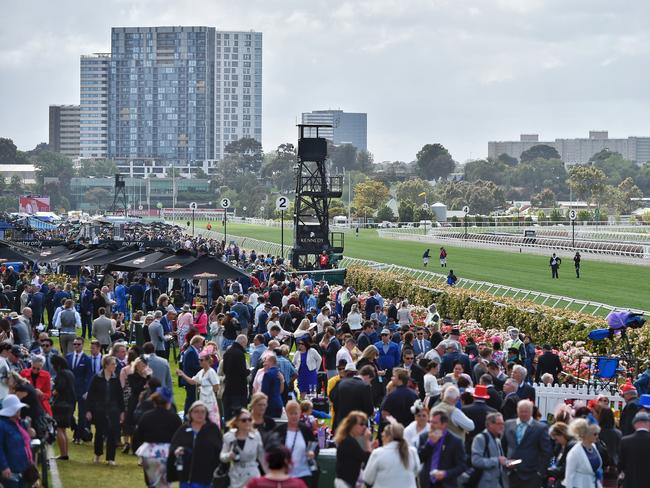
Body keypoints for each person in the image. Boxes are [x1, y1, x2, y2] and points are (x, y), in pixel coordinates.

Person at [133, 387, 182, 488]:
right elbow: (179, 438)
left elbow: (138, 435)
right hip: (167, 453)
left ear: (154, 401)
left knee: (152, 484)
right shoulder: (175, 418)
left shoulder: (146, 416)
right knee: (165, 484)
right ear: (168, 402)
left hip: (149, 452)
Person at [167, 401, 223, 488]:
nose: (199, 414)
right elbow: (174, 446)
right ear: (190, 413)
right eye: (196, 411)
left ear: (206, 413)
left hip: (207, 474)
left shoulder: (212, 429)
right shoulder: (184, 429)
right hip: (187, 474)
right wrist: (177, 450)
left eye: (202, 412)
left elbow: (220, 449)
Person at [502, 399, 552, 488]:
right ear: (517, 410)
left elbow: (546, 452)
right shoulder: (508, 424)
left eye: (526, 412)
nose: (524, 414)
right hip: (510, 473)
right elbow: (502, 447)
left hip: (531, 475)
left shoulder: (540, 428)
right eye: (521, 411)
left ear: (531, 411)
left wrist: (540, 473)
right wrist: (505, 462)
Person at [86, 355, 125, 465]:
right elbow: (91, 395)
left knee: (112, 434)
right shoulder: (96, 378)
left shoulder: (115, 379)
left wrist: (122, 412)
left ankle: (111, 458)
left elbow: (120, 397)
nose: (115, 366)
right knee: (99, 433)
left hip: (113, 410)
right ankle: (97, 455)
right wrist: (88, 410)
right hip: (99, 409)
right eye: (113, 364)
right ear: (106, 365)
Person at [272, 400, 318, 488]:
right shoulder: (279, 431)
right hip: (284, 474)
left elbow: (315, 444)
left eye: (296, 413)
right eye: (291, 413)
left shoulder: (305, 430)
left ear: (300, 413)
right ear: (287, 414)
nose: (293, 416)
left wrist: (312, 452)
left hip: (304, 473)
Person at [220, 408, 267, 488]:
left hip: (252, 474)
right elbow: (222, 456)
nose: (247, 422)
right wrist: (229, 456)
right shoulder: (229, 437)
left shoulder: (256, 436)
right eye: (244, 420)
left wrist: (269, 475)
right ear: (237, 422)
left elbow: (262, 457)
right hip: (235, 475)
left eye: (249, 419)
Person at [363, 422, 420, 488]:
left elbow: (368, 479)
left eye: (383, 435)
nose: (382, 437)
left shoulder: (378, 453)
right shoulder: (412, 451)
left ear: (389, 437)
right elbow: (416, 472)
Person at [177, 348, 220, 426]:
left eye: (201, 360)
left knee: (210, 421)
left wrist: (207, 389)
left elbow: (216, 387)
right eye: (199, 360)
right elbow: (192, 381)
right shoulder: (201, 372)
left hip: (210, 401)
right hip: (202, 399)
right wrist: (182, 374)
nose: (199, 361)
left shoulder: (211, 372)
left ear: (207, 361)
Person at [0, 394, 33, 488]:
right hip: (11, 470)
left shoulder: (19, 422)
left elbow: (26, 442)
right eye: (18, 409)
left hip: (24, 468)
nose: (20, 410)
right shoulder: (2, 425)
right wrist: (4, 467)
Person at [330, 365, 375, 430]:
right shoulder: (365, 387)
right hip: (357, 424)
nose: (370, 383)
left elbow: (333, 398)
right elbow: (369, 409)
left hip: (341, 422)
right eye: (370, 380)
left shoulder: (341, 382)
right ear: (368, 376)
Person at [470, 412, 508, 488]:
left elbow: (500, 461)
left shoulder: (497, 440)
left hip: (497, 483)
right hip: (484, 483)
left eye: (503, 424)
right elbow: (476, 461)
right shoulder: (480, 438)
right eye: (499, 424)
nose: (502, 426)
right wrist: (497, 461)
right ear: (490, 424)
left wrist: (507, 463)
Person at [334, 411, 372, 488]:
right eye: (361, 424)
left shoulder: (348, 440)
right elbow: (367, 459)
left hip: (345, 482)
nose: (364, 427)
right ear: (352, 425)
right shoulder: (349, 441)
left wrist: (371, 446)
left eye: (365, 424)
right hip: (345, 483)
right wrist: (367, 441)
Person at [67, 337, 93, 443]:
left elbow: (89, 376)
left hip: (81, 390)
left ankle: (78, 436)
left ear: (82, 345)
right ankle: (75, 428)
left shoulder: (87, 359)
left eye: (78, 344)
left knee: (82, 414)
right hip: (70, 390)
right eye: (74, 344)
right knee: (69, 412)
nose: (76, 346)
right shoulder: (68, 357)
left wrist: (87, 391)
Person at [564, 418, 603, 488]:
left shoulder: (594, 446)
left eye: (598, 433)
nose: (597, 436)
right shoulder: (574, 452)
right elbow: (569, 476)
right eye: (595, 434)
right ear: (586, 434)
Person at [51, 355, 76, 461]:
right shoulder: (70, 373)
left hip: (61, 404)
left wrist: (52, 391)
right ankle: (65, 453)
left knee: (59, 429)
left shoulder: (61, 374)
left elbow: (59, 388)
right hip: (70, 404)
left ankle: (63, 454)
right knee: (64, 430)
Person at [619, 411, 650, 488]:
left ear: (634, 424)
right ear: (648, 423)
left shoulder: (625, 441)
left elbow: (621, 464)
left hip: (631, 482)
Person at [222, 335, 249, 421]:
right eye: (245, 344)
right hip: (239, 390)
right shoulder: (240, 354)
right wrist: (248, 371)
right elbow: (242, 372)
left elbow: (224, 370)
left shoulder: (227, 352)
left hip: (228, 388)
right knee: (238, 417)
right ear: (243, 342)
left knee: (228, 416)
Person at [547, 422, 575, 487]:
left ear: (562, 434)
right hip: (559, 480)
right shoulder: (558, 446)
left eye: (556, 438)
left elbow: (566, 469)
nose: (555, 441)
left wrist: (547, 470)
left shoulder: (572, 446)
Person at [260, 354, 284, 419]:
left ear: (271, 362)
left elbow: (264, 392)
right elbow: (281, 390)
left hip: (270, 405)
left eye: (266, 361)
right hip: (279, 403)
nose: (264, 363)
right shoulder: (280, 373)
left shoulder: (268, 374)